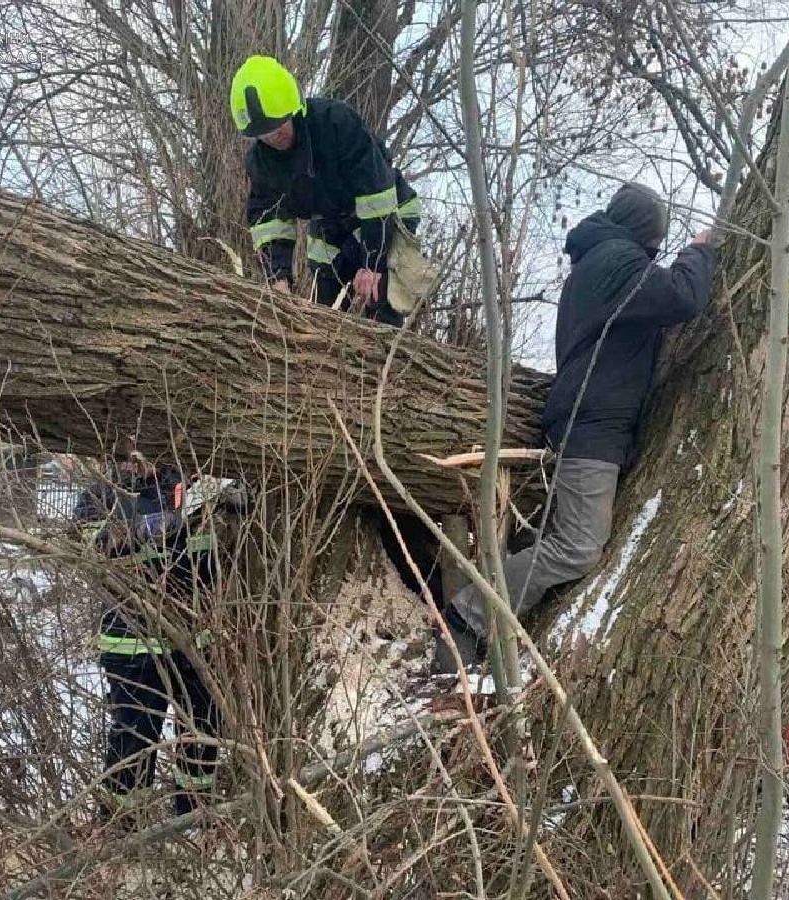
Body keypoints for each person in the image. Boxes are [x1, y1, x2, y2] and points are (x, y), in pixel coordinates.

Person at [433, 182, 718, 674]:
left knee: (553, 536)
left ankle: (495, 615)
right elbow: (682, 298)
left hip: (590, 421)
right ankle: (465, 618)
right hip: (593, 425)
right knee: (578, 548)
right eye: (655, 243)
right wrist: (699, 252)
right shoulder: (616, 261)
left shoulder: (600, 260)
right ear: (642, 233)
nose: (654, 253)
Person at [72, 447, 221, 826]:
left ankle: (194, 818)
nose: (135, 460)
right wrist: (152, 527)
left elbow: (214, 557)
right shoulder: (100, 494)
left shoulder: (193, 489)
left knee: (202, 730)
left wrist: (227, 507)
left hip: (193, 639)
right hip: (130, 641)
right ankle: (119, 825)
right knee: (133, 738)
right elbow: (95, 547)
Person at [231, 55, 423, 327]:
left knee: (381, 297)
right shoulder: (261, 164)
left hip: (387, 215)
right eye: (264, 133)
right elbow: (268, 221)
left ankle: (386, 359)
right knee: (324, 307)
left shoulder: (335, 123)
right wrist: (278, 278)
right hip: (332, 223)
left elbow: (376, 194)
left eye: (278, 124)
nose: (274, 136)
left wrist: (372, 263)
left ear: (293, 109)